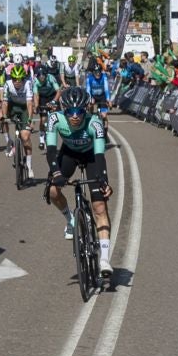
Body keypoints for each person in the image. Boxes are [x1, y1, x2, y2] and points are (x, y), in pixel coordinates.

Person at [45, 86, 114, 280]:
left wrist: (103, 179)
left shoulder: (95, 123)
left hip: (92, 156)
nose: (74, 117)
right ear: (63, 110)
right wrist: (56, 172)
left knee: (99, 206)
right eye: (70, 112)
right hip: (69, 154)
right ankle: (70, 220)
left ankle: (105, 259)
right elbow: (51, 150)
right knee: (52, 190)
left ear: (86, 110)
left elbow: (100, 156)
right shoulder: (54, 119)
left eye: (79, 112)